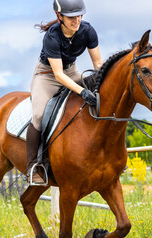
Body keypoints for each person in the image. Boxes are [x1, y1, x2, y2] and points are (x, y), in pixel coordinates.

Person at [26, 0, 103, 185]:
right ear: (59, 16)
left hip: (72, 71)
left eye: (79, 15)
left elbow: (98, 65)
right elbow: (58, 75)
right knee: (37, 115)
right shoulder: (52, 36)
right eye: (71, 17)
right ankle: (33, 167)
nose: (76, 20)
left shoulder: (88, 31)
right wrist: (82, 91)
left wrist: (101, 85)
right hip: (47, 75)